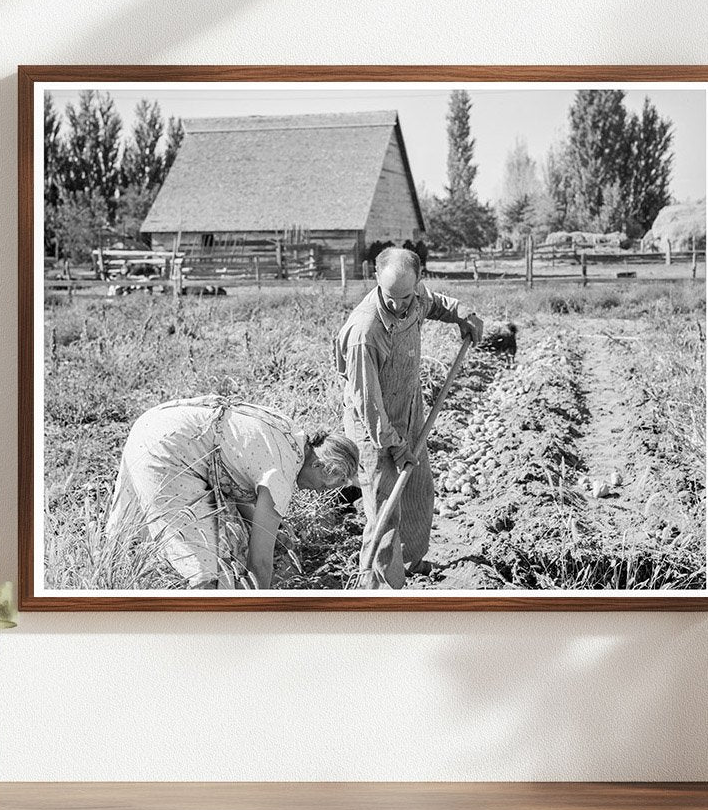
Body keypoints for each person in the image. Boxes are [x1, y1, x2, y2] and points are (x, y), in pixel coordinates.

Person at [333, 247, 484, 589]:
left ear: (417, 282)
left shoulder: (413, 298)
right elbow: (368, 403)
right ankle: (381, 584)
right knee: (384, 509)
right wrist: (395, 445)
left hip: (410, 411)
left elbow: (438, 304)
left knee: (418, 491)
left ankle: (410, 562)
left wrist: (464, 313)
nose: (399, 305)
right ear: (376, 280)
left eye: (406, 296)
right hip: (373, 428)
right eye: (391, 297)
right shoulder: (365, 332)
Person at [106, 396, 358, 590]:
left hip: (156, 422)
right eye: (325, 485)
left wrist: (274, 533)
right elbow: (259, 563)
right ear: (318, 464)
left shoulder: (291, 436)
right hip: (169, 449)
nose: (317, 492)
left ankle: (110, 585)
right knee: (204, 567)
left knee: (126, 539)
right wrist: (260, 611)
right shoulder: (282, 475)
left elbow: (239, 474)